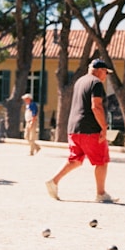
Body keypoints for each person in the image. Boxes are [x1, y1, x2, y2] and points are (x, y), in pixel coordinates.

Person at [45, 59, 118, 203]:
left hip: (74, 128)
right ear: (99, 70)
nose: (106, 76)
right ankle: (101, 194)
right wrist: (103, 127)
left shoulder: (79, 81)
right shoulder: (96, 83)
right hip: (90, 129)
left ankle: (53, 182)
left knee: (76, 160)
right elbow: (96, 106)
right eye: (105, 72)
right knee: (101, 161)